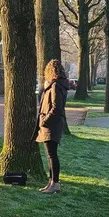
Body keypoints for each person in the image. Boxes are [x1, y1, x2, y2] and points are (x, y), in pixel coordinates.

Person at [35, 59, 70, 194]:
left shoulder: (55, 86)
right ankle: (51, 182)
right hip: (52, 123)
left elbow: (56, 107)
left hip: (51, 124)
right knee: (51, 155)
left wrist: (44, 121)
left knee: (52, 155)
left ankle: (55, 183)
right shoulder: (58, 84)